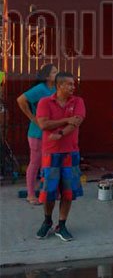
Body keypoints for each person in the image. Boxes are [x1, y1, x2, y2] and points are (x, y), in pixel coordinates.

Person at [35, 71, 85, 241]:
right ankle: (47, 221)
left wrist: (61, 133)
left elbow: (76, 122)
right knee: (49, 191)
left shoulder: (78, 101)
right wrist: (66, 120)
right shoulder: (45, 102)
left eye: (73, 84)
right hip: (51, 153)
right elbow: (43, 124)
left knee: (68, 192)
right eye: (69, 84)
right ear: (59, 86)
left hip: (71, 152)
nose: (73, 87)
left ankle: (61, 224)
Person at [16, 63, 58, 205]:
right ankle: (30, 194)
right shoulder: (40, 89)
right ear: (47, 76)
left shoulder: (55, 89)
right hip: (37, 133)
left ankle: (45, 190)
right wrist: (32, 118)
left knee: (49, 163)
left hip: (51, 132)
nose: (57, 74)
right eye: (54, 72)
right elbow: (21, 100)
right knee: (35, 162)